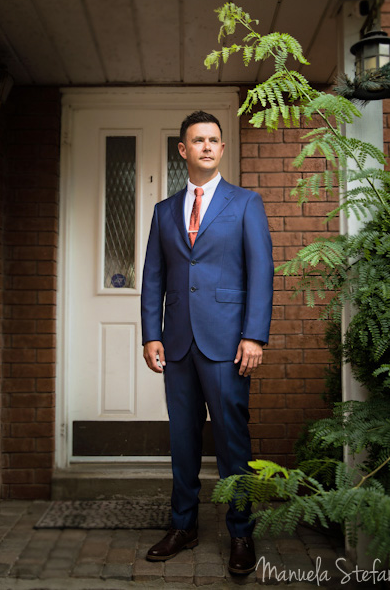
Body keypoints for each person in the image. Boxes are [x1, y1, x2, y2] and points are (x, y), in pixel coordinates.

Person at [140, 110, 273, 575]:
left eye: (214, 140)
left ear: (221, 147)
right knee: (182, 440)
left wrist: (254, 334)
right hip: (176, 344)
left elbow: (261, 272)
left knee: (233, 442)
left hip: (227, 342)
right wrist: (150, 335)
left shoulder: (245, 204)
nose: (207, 147)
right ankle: (184, 526)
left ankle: (240, 532)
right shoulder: (163, 212)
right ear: (183, 150)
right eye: (198, 140)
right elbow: (153, 277)